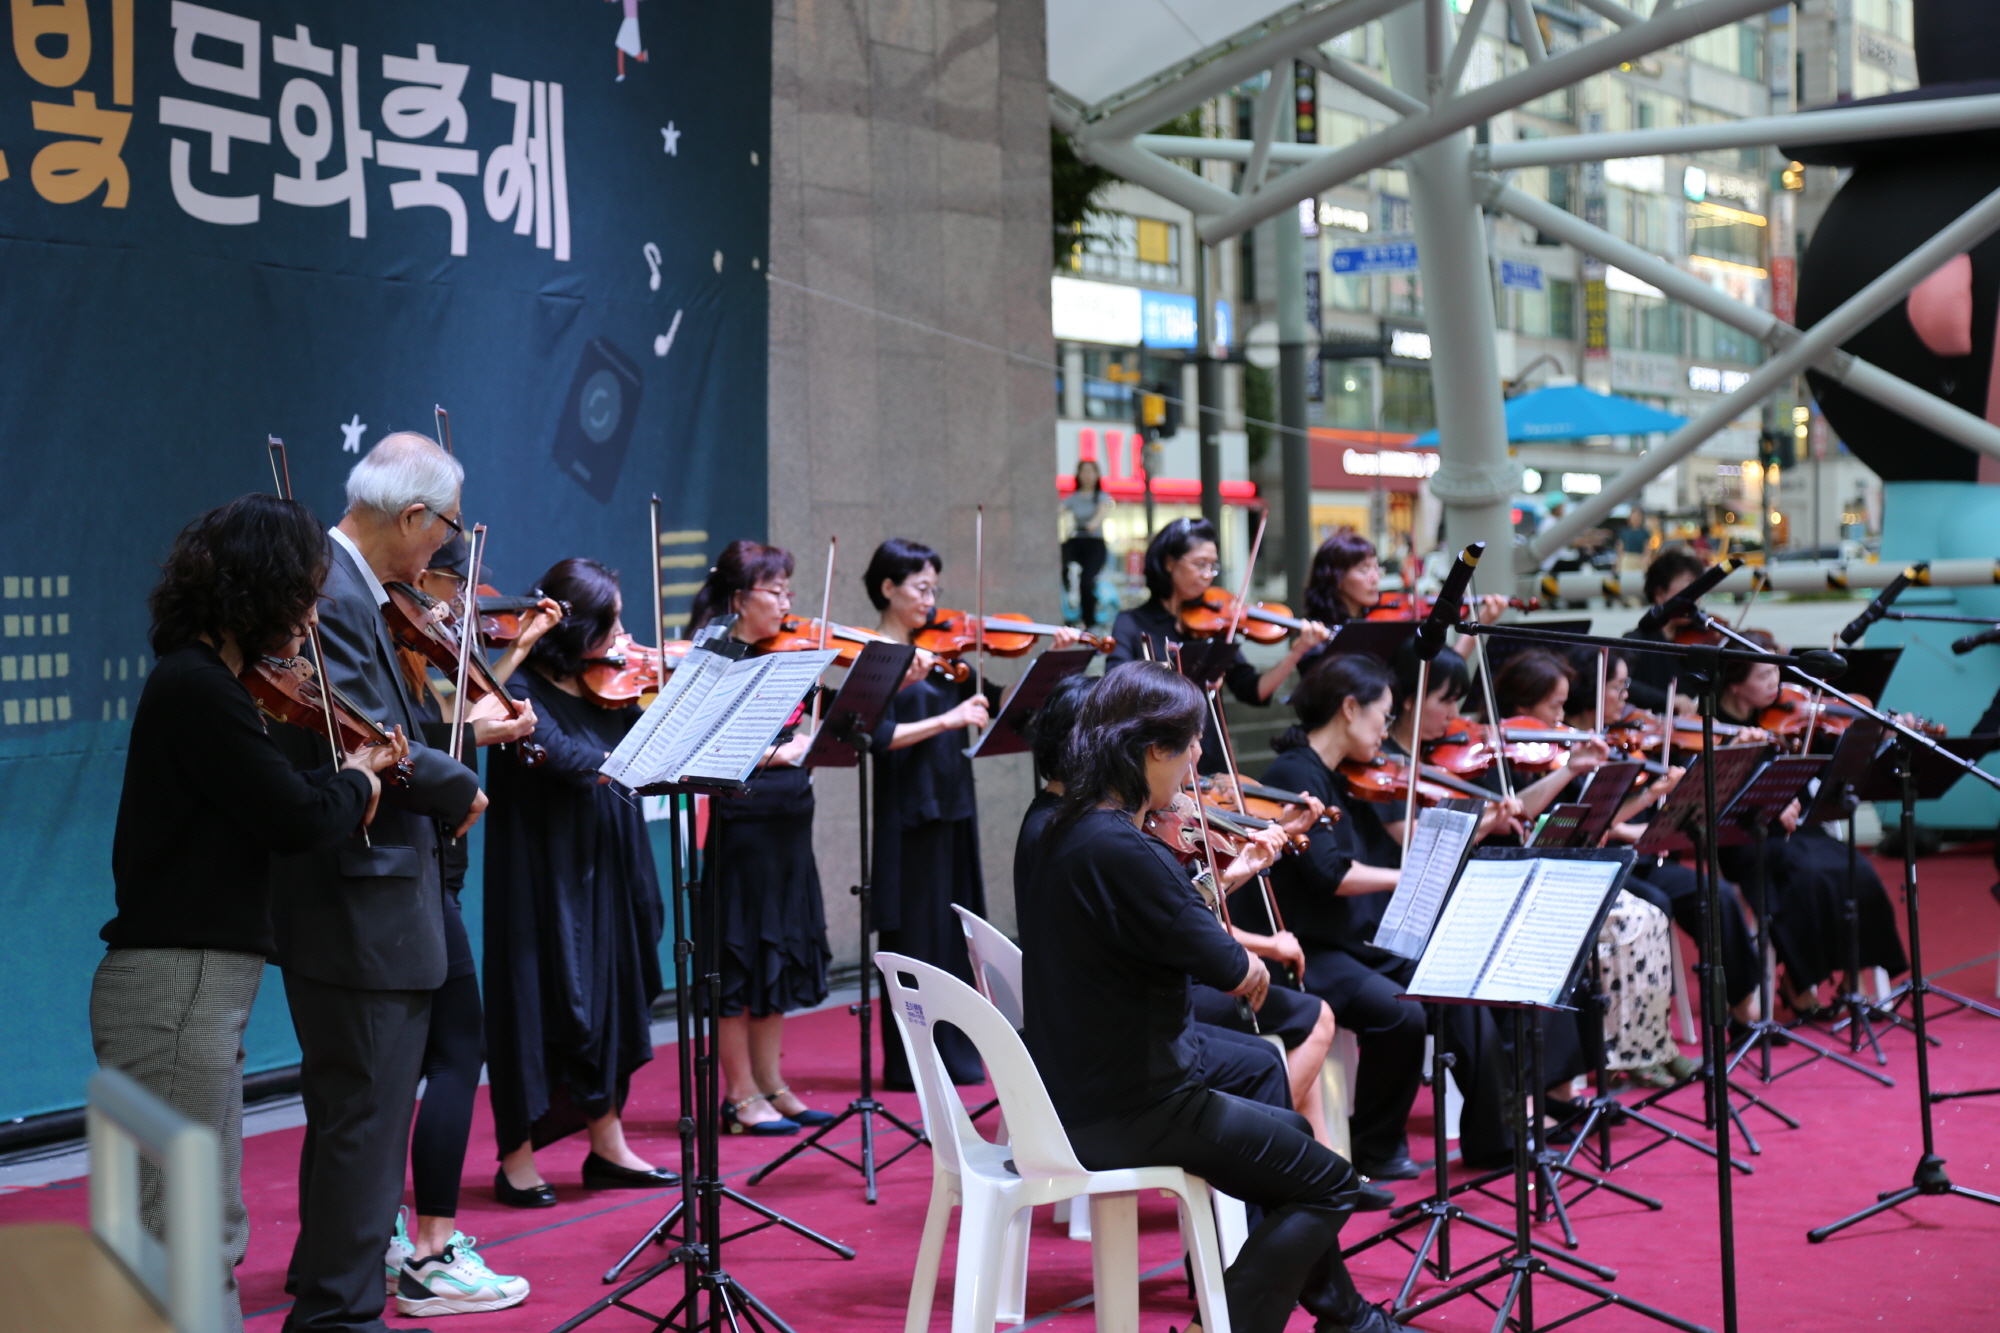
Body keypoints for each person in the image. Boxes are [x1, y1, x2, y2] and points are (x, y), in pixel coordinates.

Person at [94, 494, 405, 1333]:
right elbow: (297, 817)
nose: (312, 614)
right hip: (179, 985)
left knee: (197, 1228)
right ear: (260, 589)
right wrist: (365, 780)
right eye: (303, 593)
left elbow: (276, 797)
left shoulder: (204, 685)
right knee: (186, 1236)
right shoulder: (198, 687)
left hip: (190, 987)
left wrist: (347, 776)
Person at [1020, 661, 1395, 1333]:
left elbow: (1168, 929)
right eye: (1191, 743)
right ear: (1151, 749)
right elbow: (1232, 968)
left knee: (1296, 1135)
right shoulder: (1120, 844)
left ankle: (1351, 1320)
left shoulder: (1065, 822)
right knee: (1332, 1182)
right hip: (1137, 1101)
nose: (1200, 757)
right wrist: (1244, 955)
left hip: (1086, 1082)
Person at [267, 434, 488, 1333]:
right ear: (411, 517)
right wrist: (461, 778)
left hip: (374, 896)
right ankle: (339, 1314)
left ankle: (330, 1297)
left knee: (352, 1124)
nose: (446, 548)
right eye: (446, 529)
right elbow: (360, 741)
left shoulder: (353, 587)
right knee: (363, 1128)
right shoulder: (330, 586)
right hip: (361, 899)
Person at [1017, 672, 1338, 1145]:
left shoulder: (1050, 820)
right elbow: (1206, 947)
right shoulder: (1104, 839)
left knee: (1274, 1059)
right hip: (1121, 1055)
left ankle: (1298, 1158)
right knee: (1278, 1048)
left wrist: (1233, 870)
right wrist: (1249, 922)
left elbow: (1170, 912)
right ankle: (1268, 1167)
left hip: (1092, 1032)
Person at [382, 534, 553, 1316]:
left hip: (405, 871)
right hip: (413, 870)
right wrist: (497, 726)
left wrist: (514, 655)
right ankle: (431, 1251)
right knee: (457, 1050)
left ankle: (376, 1234)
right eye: (456, 583)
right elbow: (438, 735)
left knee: (384, 1066)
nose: (459, 603)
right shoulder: (395, 636)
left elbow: (450, 715)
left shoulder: (395, 642)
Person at [484, 558, 676, 1208]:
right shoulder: (516, 690)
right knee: (535, 998)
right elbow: (565, 759)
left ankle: (608, 1141)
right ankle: (515, 1159)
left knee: (615, 990)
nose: (625, 635)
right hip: (544, 872)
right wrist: (623, 759)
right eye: (613, 622)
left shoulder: (607, 684)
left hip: (608, 858)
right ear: (577, 628)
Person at [686, 540, 837, 1135]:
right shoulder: (713, 657)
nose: (785, 603)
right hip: (741, 829)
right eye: (774, 591)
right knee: (739, 959)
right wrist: (783, 753)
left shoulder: (786, 655)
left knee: (774, 956)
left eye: (788, 591)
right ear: (739, 597)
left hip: (788, 830)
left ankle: (774, 1084)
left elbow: (807, 735)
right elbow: (707, 745)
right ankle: (740, 1094)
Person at [1559, 647, 1762, 1033]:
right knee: (1657, 904)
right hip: (1599, 866)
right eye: (1617, 688)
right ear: (1591, 690)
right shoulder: (1561, 745)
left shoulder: (1627, 738)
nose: (1626, 697)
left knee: (1716, 894)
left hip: (1639, 858)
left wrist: (1726, 757)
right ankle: (1647, 1026)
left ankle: (1741, 1005)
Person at [1713, 633, 1909, 1015]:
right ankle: (1799, 981)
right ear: (1735, 683)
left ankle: (1854, 984)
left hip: (1798, 829)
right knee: (1804, 877)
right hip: (1745, 838)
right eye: (1764, 675)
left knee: (1857, 870)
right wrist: (1764, 802)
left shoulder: (1788, 714)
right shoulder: (1713, 725)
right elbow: (1711, 799)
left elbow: (1831, 766)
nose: (1777, 683)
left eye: (1777, 672)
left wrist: (1877, 732)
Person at [865, 537, 995, 1087]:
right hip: (908, 814)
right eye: (921, 588)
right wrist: (949, 719)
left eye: (934, 589)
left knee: (951, 938)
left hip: (951, 804)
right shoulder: (874, 657)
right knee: (915, 940)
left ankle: (958, 1054)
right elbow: (877, 735)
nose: (930, 599)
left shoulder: (941, 651)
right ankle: (914, 1061)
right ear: (888, 588)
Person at [1107, 517, 1330, 774]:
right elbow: (1116, 689)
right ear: (1169, 563)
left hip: (1210, 758)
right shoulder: (1132, 623)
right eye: (1199, 564)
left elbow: (1253, 690)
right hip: (1155, 760)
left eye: (1212, 567)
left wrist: (1297, 651)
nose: (1206, 576)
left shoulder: (1215, 624)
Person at [1623, 547, 1708, 714]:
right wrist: (1667, 699)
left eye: (1699, 592)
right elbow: (1622, 684)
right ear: (1660, 594)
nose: (1696, 600)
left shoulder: (1704, 635)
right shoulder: (1637, 641)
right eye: (1689, 591)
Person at [1061, 458, 1112, 630]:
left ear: (1097, 475)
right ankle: (1069, 598)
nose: (1087, 476)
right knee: (1061, 558)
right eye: (1084, 471)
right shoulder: (1073, 498)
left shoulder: (1101, 497)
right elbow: (1058, 510)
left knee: (1087, 582)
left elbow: (1101, 512)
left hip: (1094, 544)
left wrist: (1093, 523)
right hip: (1077, 541)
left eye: (1091, 471)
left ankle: (1090, 622)